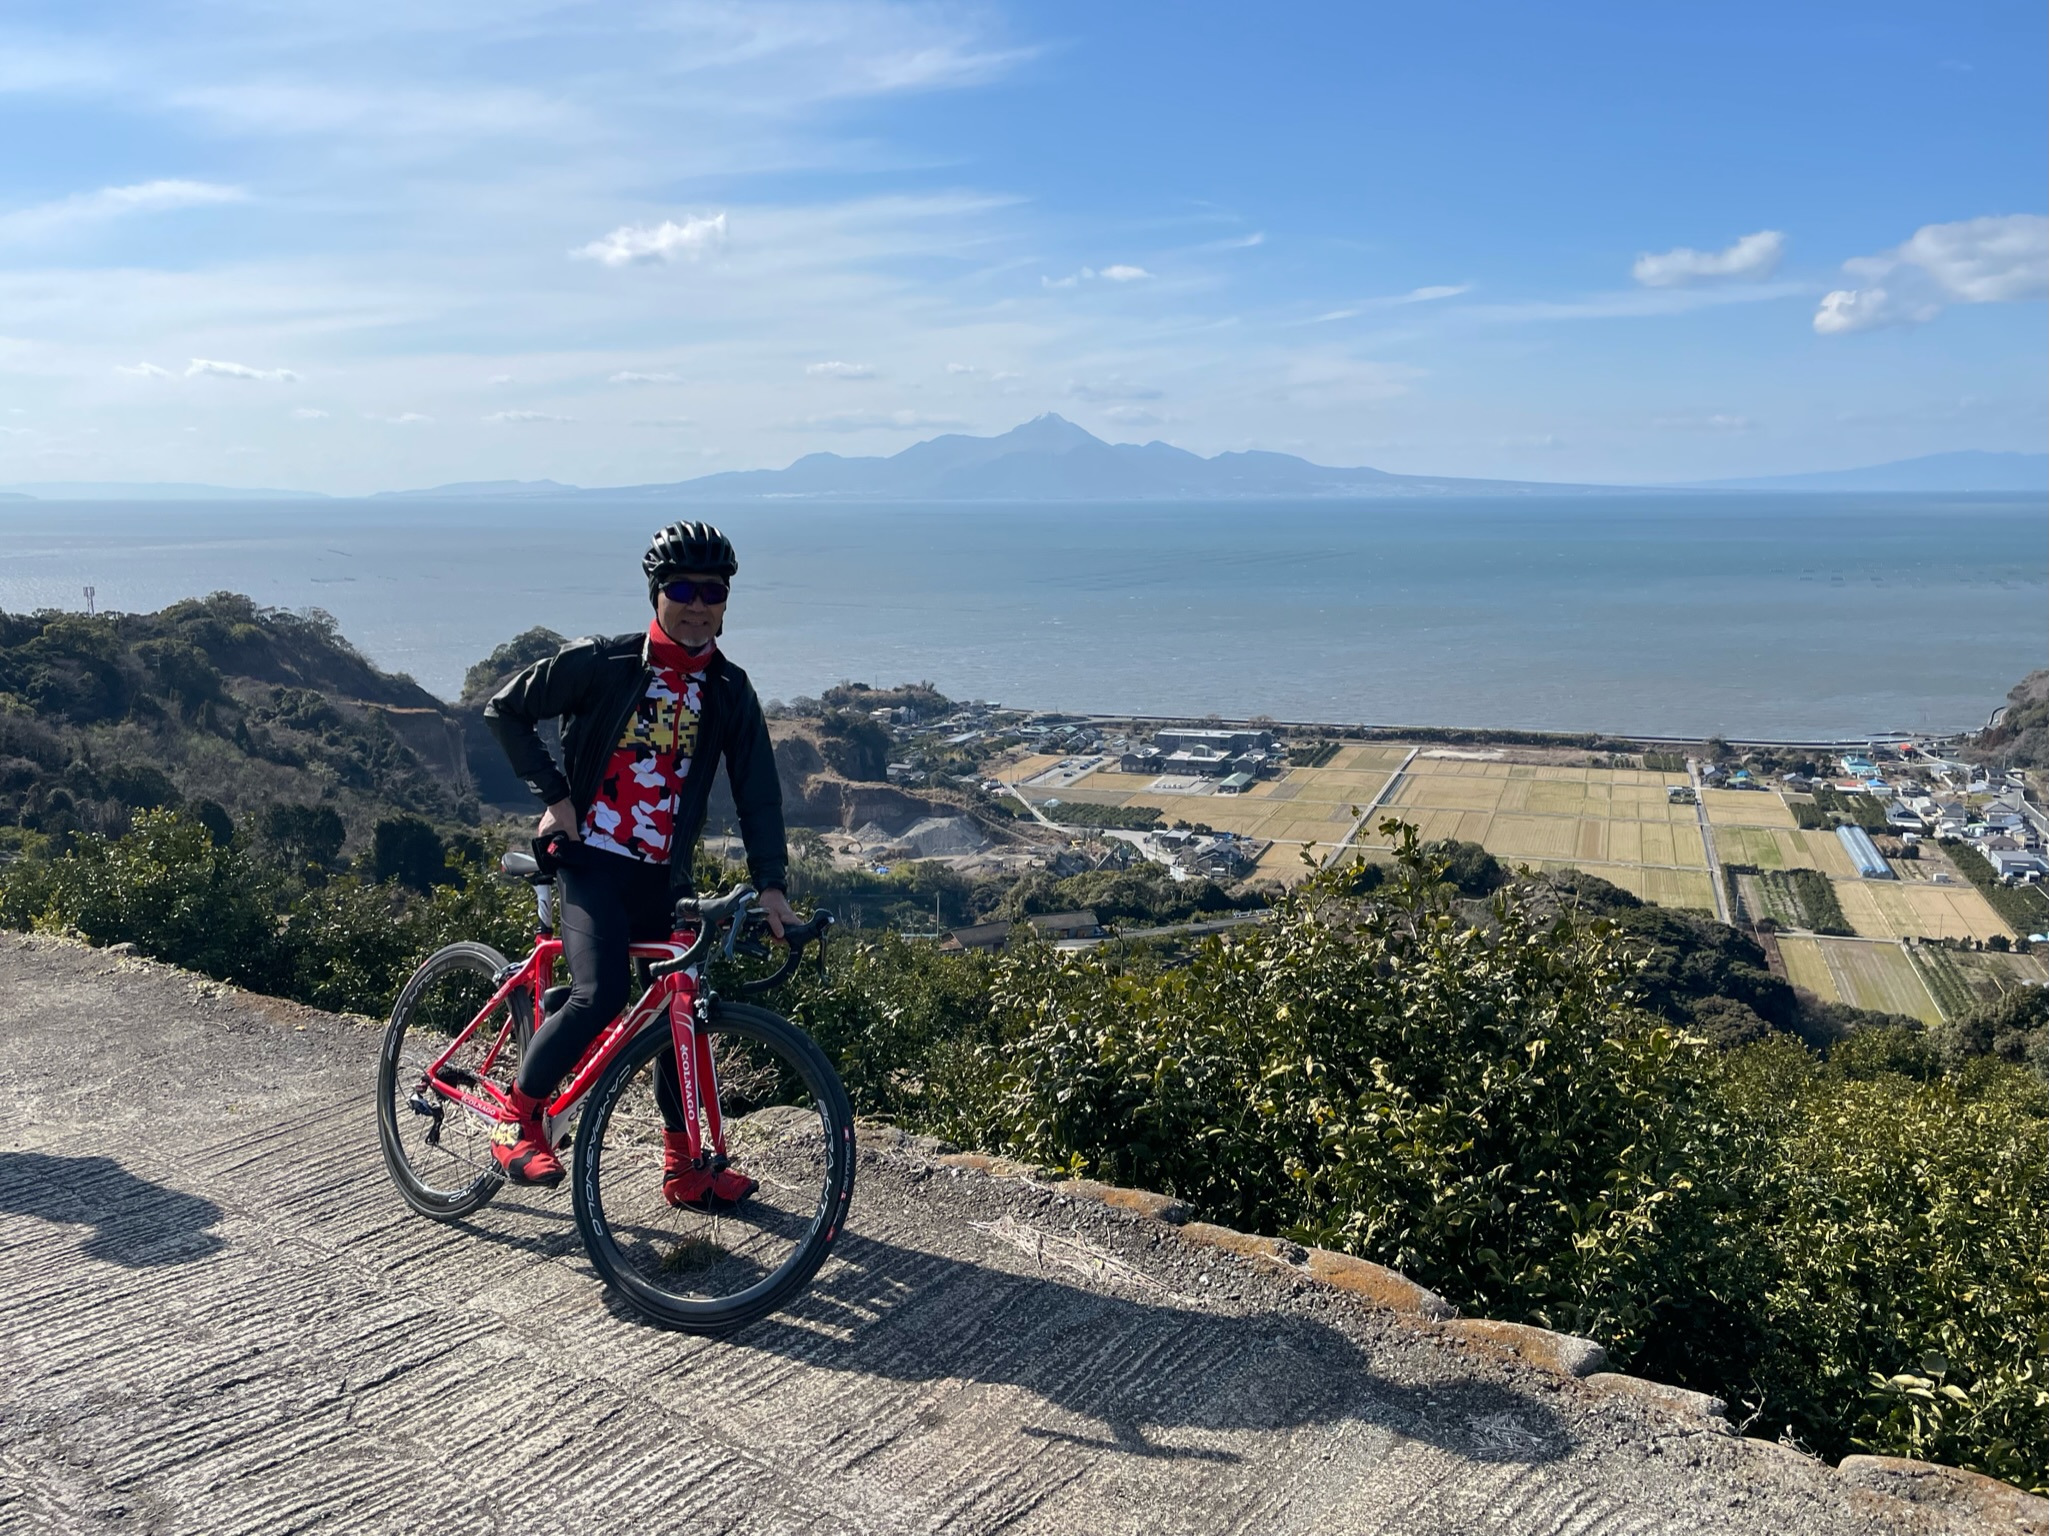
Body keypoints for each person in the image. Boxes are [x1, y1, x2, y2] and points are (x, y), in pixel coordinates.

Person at [483, 520, 795, 1205]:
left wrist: (771, 885)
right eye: (681, 587)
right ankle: (518, 1115)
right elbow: (504, 711)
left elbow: (758, 793)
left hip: (661, 875)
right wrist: (557, 796)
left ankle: (684, 1169)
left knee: (673, 1012)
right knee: (603, 993)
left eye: (711, 590)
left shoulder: (728, 690)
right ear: (656, 592)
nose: (697, 602)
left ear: (726, 600)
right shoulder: (605, 662)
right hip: (591, 860)